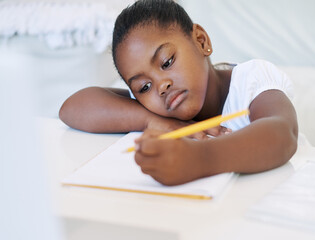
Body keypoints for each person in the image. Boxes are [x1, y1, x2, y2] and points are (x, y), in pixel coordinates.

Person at [59, 0, 298, 186]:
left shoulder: (251, 80)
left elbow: (282, 133)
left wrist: (199, 159)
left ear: (201, 41)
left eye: (166, 62)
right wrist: (152, 120)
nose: (160, 86)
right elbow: (71, 107)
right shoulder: (153, 108)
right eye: (143, 87)